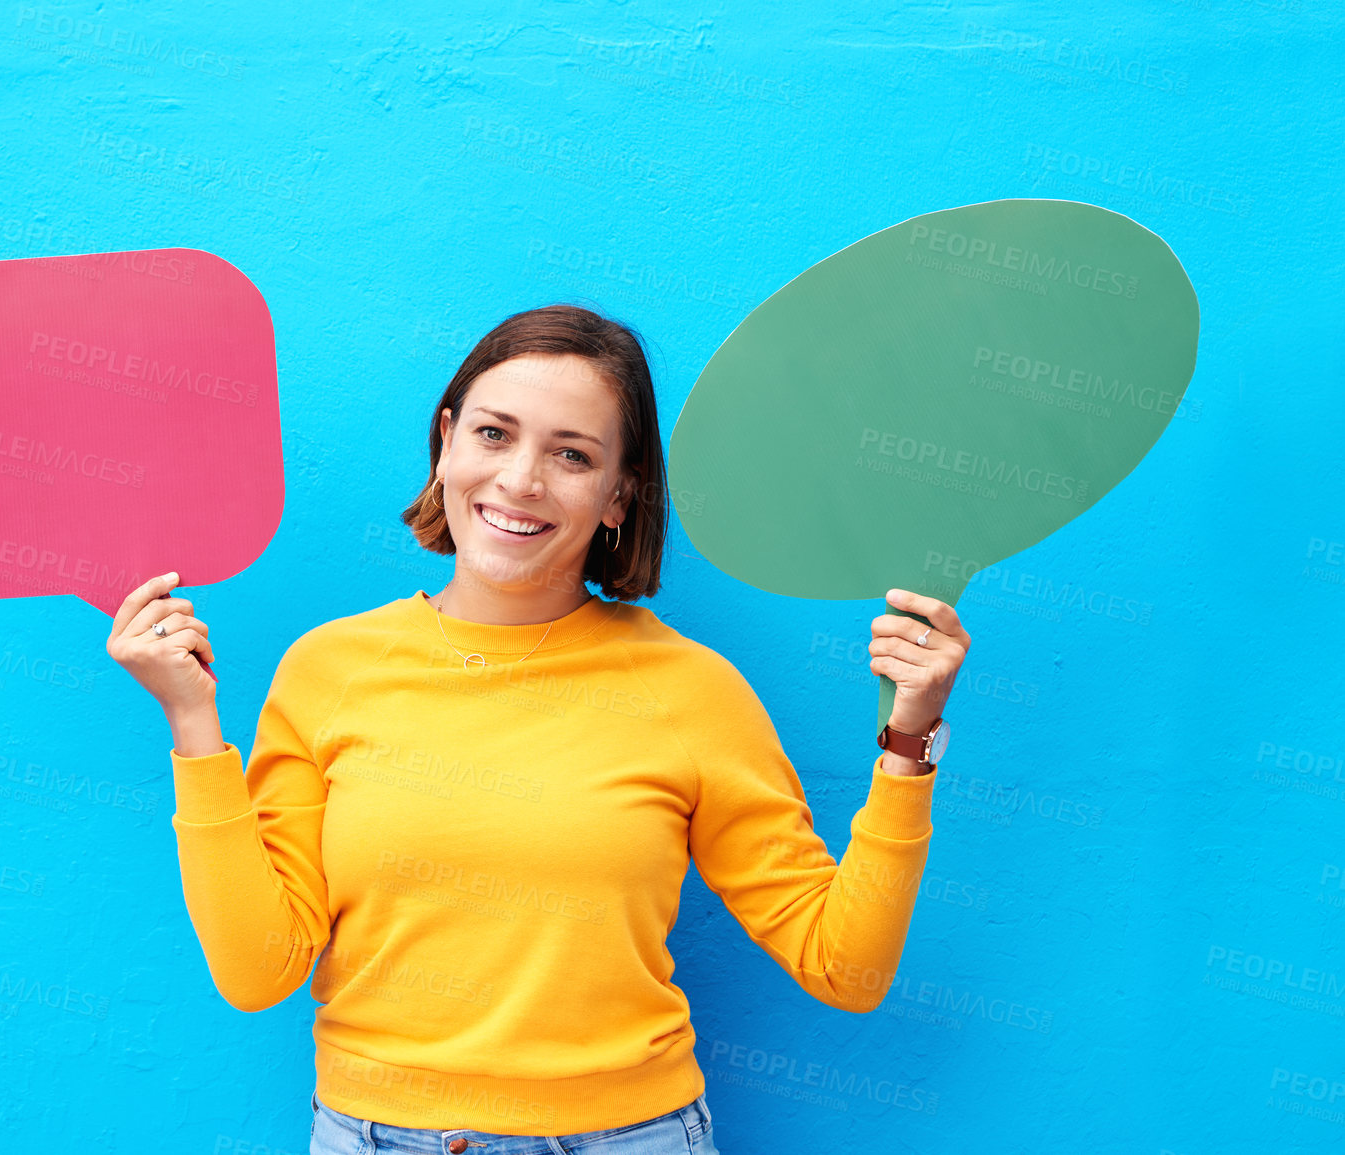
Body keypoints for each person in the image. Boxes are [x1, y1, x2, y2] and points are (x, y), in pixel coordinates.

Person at [107, 304, 971, 1154]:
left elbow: (843, 967)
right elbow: (258, 972)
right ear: (445, 440)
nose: (521, 479)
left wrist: (909, 736)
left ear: (618, 494)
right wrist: (192, 720)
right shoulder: (328, 670)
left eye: (571, 454)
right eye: (493, 433)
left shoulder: (690, 690)